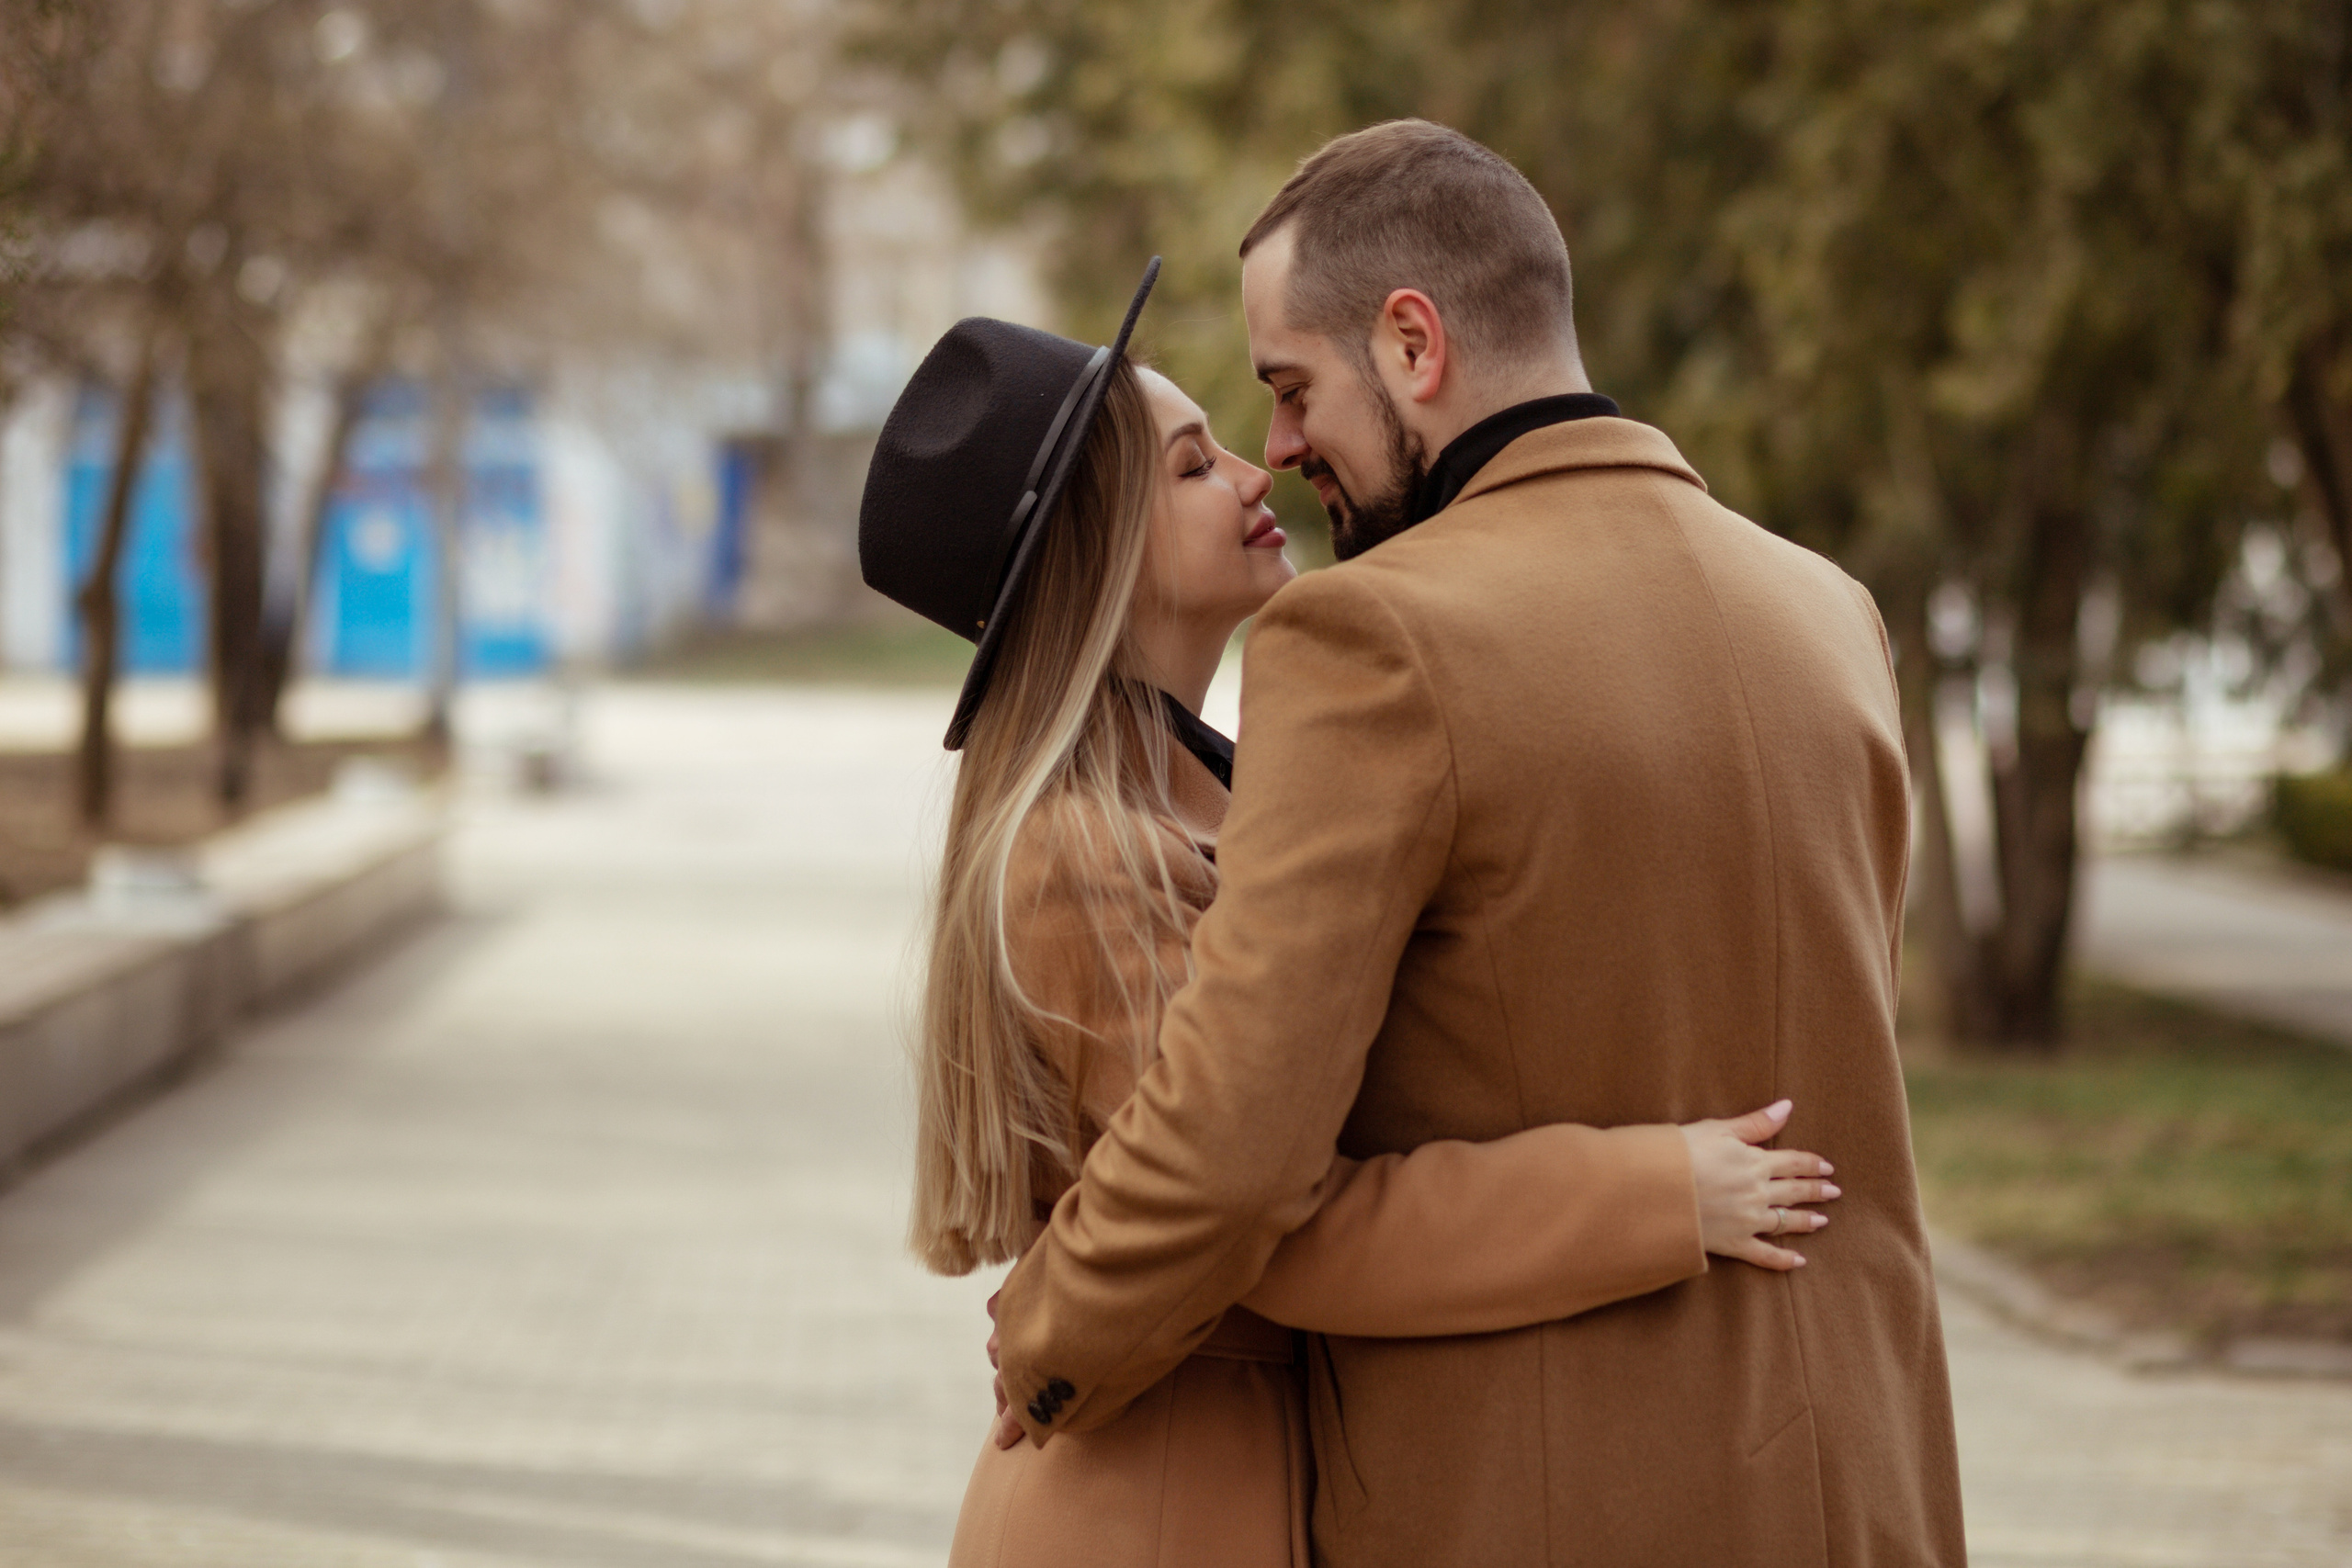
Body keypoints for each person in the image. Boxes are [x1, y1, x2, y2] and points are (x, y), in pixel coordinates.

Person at [989, 122, 1967, 1566]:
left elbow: (1235, 1148)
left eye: (1290, 388)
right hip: (1867, 1492)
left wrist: (1051, 1334)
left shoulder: (1370, 636)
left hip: (1547, 1505)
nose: (1283, 450)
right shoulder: (1830, 612)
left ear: (1411, 343)